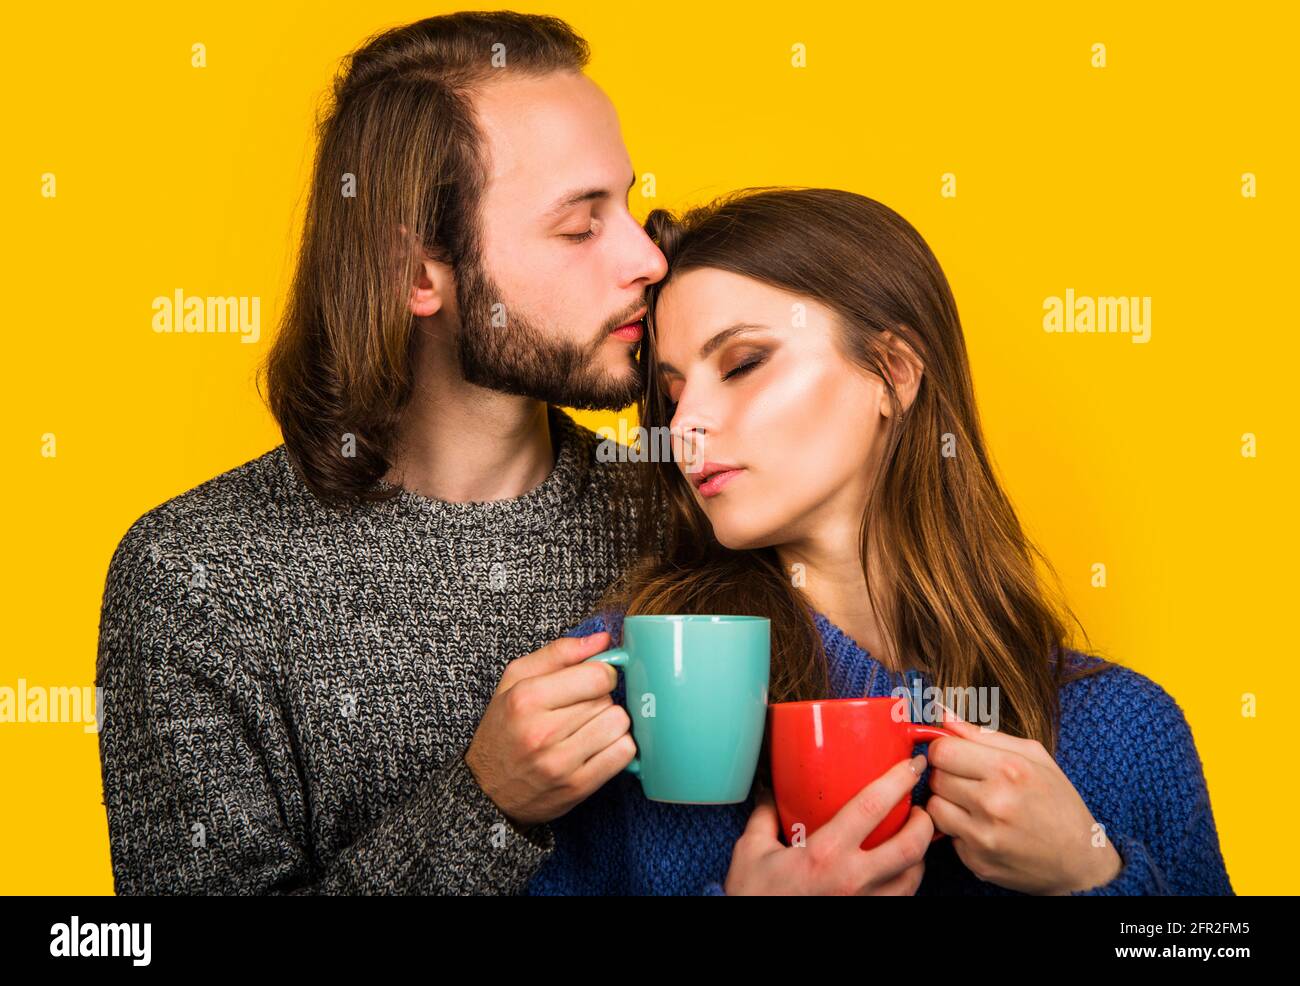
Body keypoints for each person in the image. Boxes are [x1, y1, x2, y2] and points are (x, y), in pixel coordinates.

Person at [526, 187, 1235, 895]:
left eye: (742, 364)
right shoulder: (635, 692)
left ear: (894, 373)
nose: (684, 429)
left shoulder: (1123, 728)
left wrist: (1093, 876)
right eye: (673, 393)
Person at [95, 11, 662, 894]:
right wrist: (485, 808)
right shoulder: (197, 579)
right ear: (417, 274)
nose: (646, 258)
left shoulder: (687, 521)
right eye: (580, 227)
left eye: (628, 205)